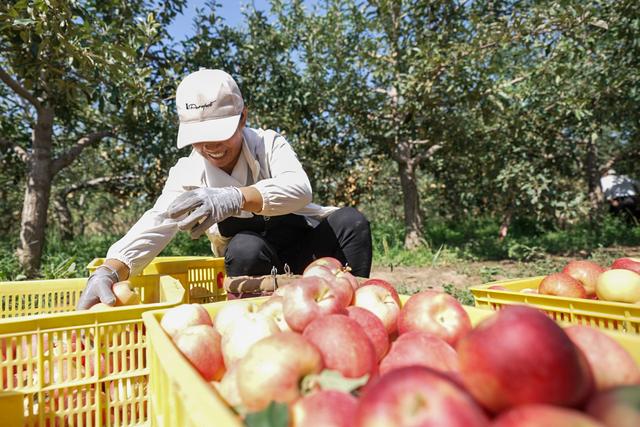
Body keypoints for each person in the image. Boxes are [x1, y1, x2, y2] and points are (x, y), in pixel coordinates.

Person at [76, 69, 372, 310]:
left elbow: (299, 189)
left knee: (351, 222)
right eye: (199, 138)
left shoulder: (267, 145)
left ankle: (355, 311)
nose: (211, 147)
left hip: (309, 253)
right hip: (254, 266)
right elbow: (157, 222)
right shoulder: (189, 174)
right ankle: (257, 323)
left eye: (219, 133)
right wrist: (111, 269)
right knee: (245, 246)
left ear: (243, 117)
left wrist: (235, 198)